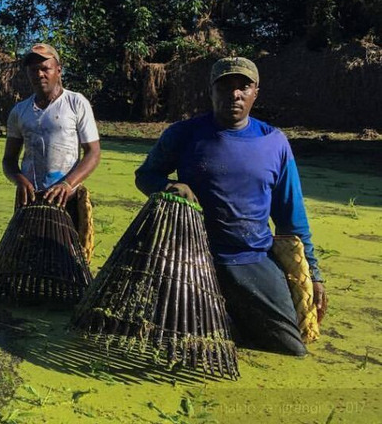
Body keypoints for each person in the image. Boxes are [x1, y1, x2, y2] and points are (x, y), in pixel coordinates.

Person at [135, 56, 327, 356]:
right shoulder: (184, 134)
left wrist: (313, 273)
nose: (234, 94)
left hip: (251, 258)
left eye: (244, 87)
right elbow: (145, 176)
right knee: (168, 340)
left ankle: (232, 319)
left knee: (291, 348)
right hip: (193, 258)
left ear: (255, 93)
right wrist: (170, 186)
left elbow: (292, 217)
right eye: (225, 86)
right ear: (211, 91)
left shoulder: (274, 142)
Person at [2, 43, 101, 226]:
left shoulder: (76, 103)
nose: (39, 74)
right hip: (29, 198)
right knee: (26, 252)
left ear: (59, 70)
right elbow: (8, 160)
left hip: (66, 197)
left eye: (45, 68)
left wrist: (67, 184)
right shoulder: (19, 111)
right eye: (33, 70)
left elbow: (93, 153)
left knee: (68, 251)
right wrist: (20, 180)